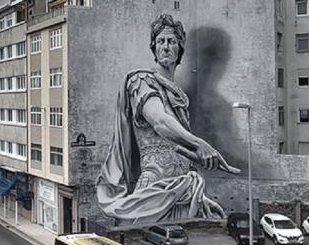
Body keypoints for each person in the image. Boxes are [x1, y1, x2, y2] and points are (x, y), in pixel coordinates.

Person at [96, 12, 239, 224]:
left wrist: (200, 195)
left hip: (184, 193)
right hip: (153, 193)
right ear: (153, 47)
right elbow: (160, 121)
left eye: (171, 41)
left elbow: (182, 154)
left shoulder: (179, 96)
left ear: (179, 49)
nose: (165, 46)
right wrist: (201, 144)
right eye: (160, 41)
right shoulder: (141, 81)